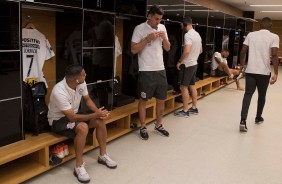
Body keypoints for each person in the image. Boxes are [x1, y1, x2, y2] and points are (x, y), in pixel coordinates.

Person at [47, 64, 117, 183]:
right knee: (83, 127)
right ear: (77, 79)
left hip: (74, 114)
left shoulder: (80, 83)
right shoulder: (59, 91)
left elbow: (88, 100)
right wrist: (94, 115)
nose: (86, 75)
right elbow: (72, 117)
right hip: (58, 121)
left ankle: (103, 155)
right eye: (84, 74)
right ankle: (78, 166)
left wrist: (98, 113)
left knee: (100, 120)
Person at [131, 5, 171, 140]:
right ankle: (143, 126)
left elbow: (167, 48)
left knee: (161, 99)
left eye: (160, 19)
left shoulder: (162, 27)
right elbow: (133, 49)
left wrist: (164, 38)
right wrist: (148, 38)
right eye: (156, 19)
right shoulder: (139, 28)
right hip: (146, 70)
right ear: (149, 16)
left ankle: (159, 125)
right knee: (143, 100)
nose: (158, 22)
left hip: (160, 69)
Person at [239, 17, 279, 132]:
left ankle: (243, 120)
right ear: (270, 26)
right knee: (262, 95)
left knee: (248, 94)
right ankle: (258, 117)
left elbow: (243, 51)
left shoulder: (251, 35)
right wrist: (276, 73)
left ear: (259, 25)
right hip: (264, 72)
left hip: (250, 70)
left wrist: (242, 65)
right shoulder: (274, 36)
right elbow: (275, 55)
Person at [174, 16, 202, 118]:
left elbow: (186, 51)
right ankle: (194, 108)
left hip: (187, 64)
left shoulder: (188, 35)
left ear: (185, 24)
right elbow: (200, 50)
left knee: (183, 87)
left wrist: (179, 61)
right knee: (192, 86)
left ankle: (185, 111)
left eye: (182, 26)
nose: (181, 28)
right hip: (194, 63)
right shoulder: (197, 34)